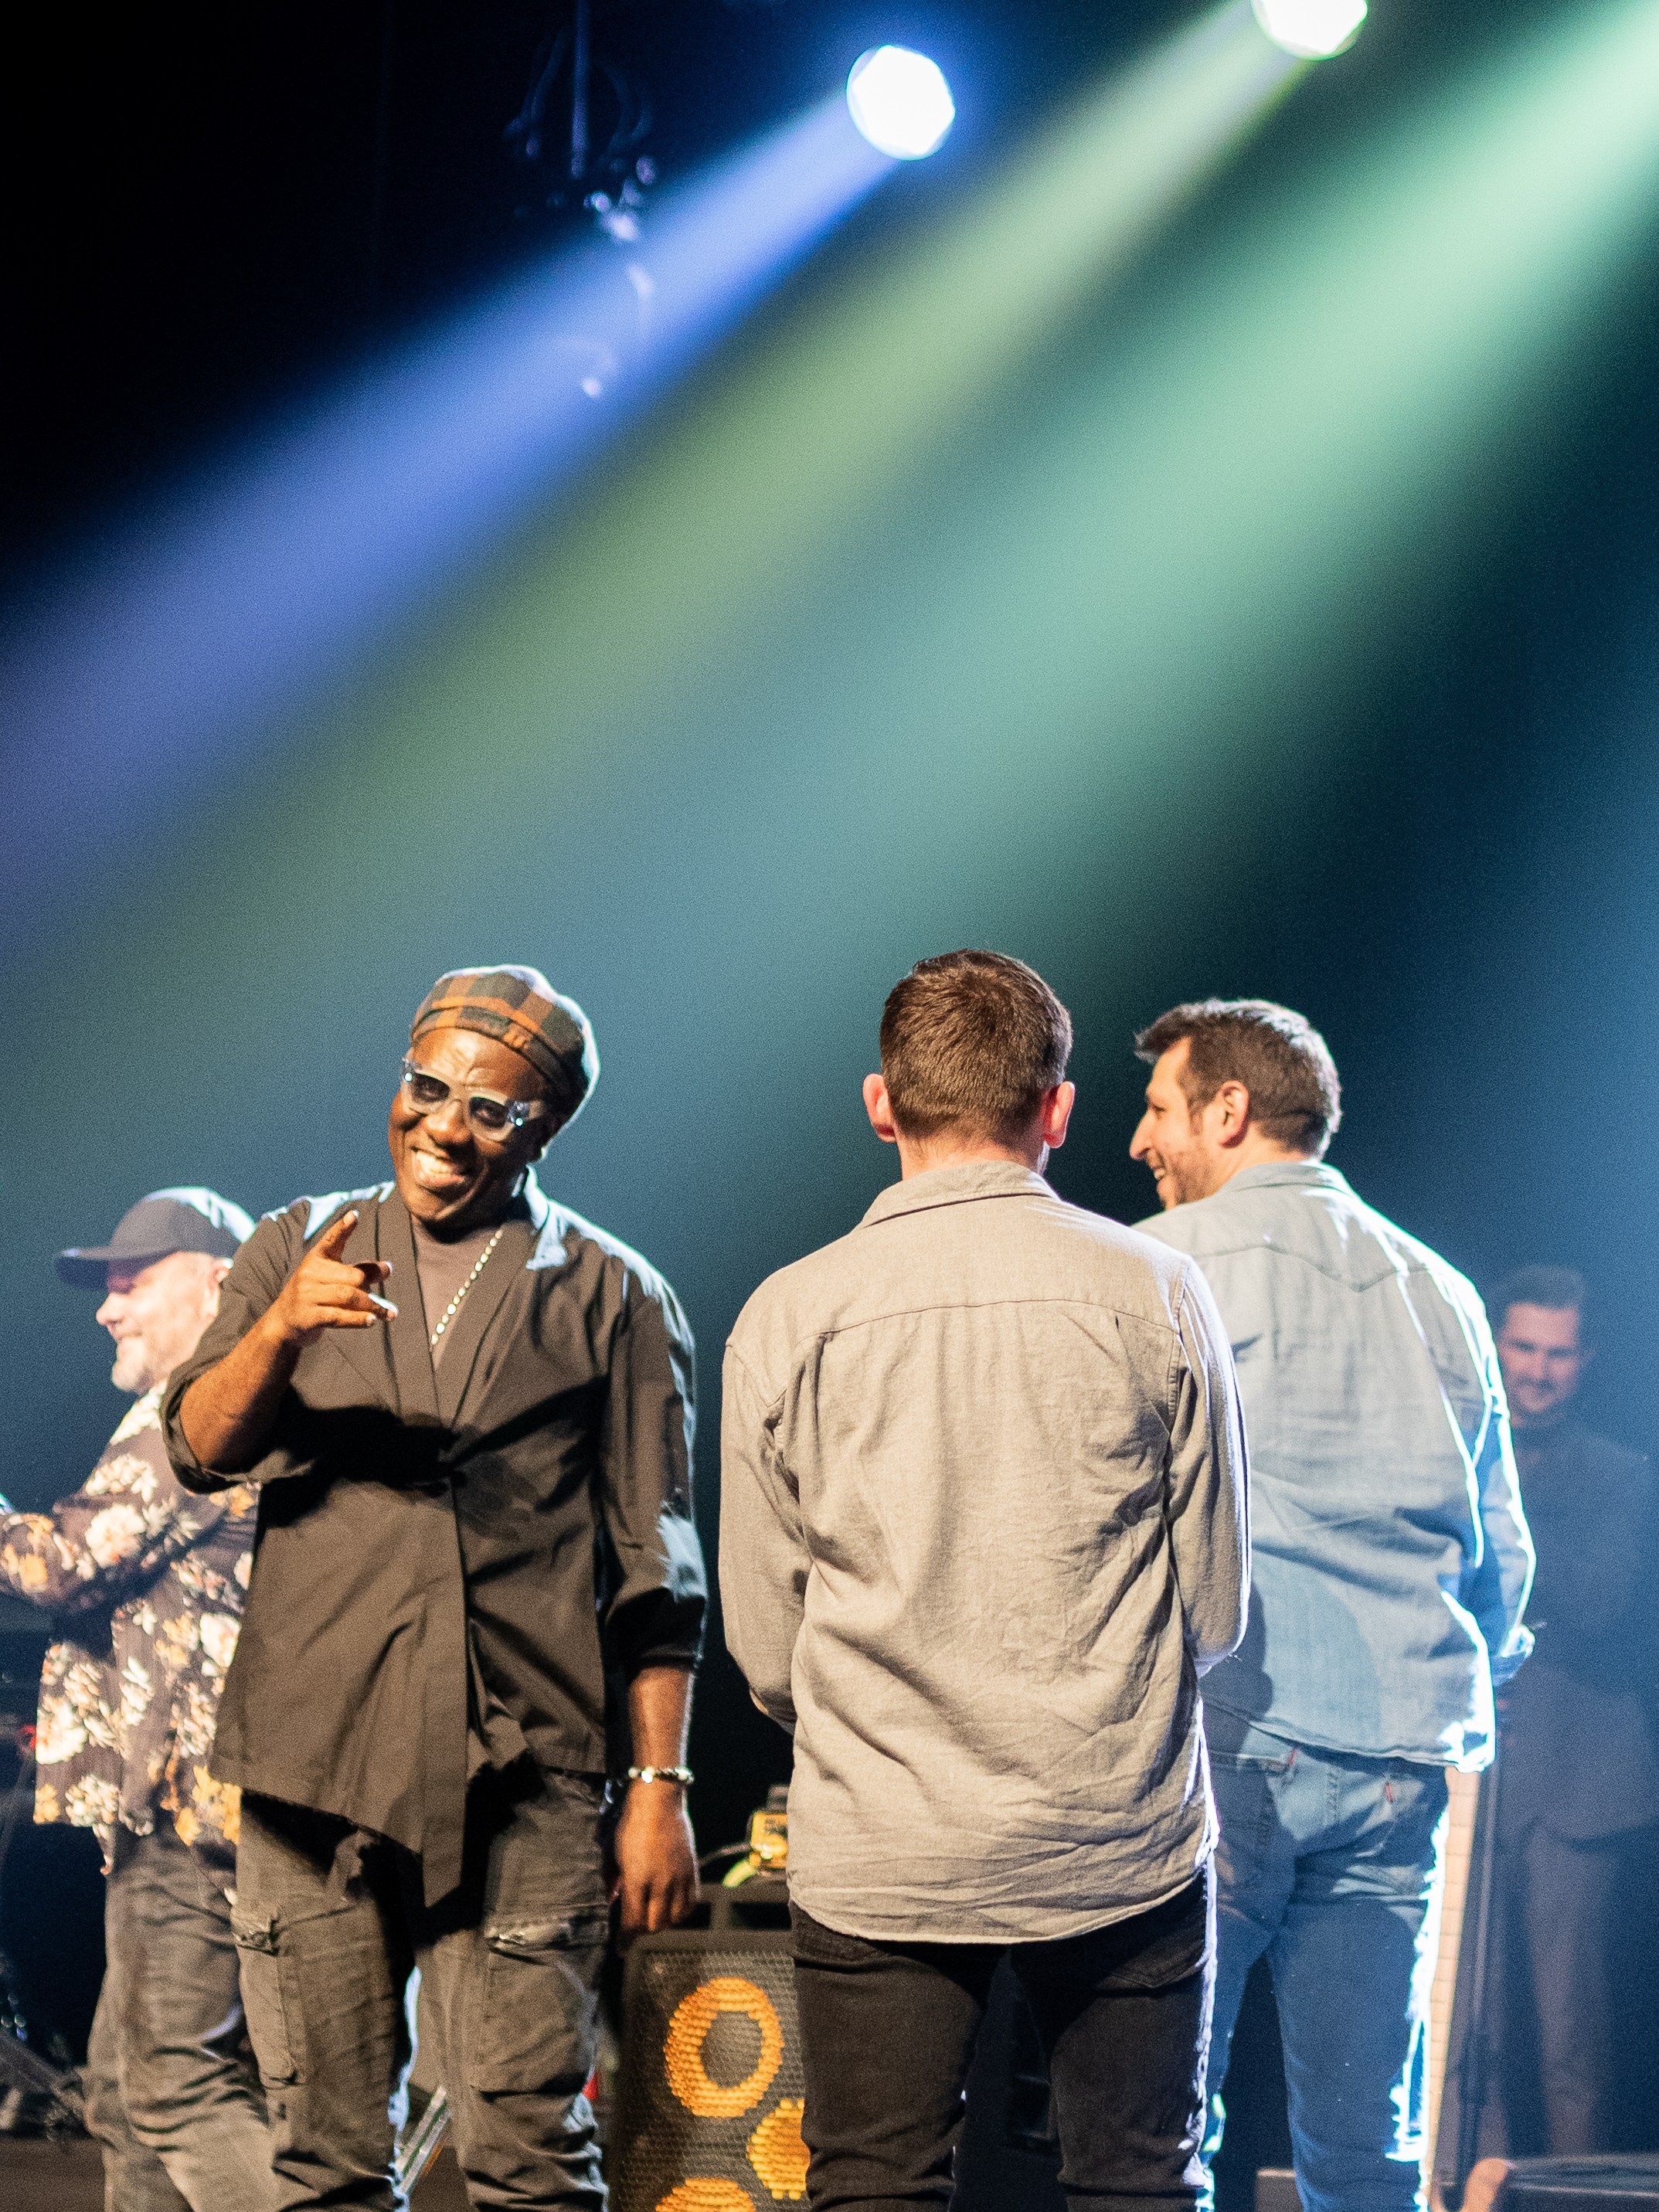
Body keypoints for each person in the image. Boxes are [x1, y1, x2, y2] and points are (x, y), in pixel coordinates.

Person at [161, 965, 707, 2212]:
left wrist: (658, 1788)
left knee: (528, 2159)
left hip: (527, 1783)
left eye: (493, 1109)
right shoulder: (297, 1243)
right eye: (427, 1088)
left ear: (545, 1128)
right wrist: (280, 1332)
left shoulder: (615, 1295)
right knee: (327, 2164)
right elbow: (200, 1446)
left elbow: (656, 1566)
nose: (446, 1126)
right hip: (315, 1766)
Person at [722, 949, 1249, 2212]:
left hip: (882, 1845)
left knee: (876, 2185)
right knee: (1136, 2182)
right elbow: (1217, 1610)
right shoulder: (1159, 1291)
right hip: (1116, 1841)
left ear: (878, 1102)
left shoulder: (787, 1315)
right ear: (1057, 1110)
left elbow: (758, 1645)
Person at [1129, 998, 1533, 2212]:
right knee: (1364, 2150)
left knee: (1154, 2135)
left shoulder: (1167, 1267)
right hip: (1399, 1761)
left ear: (1227, 1109)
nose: (1140, 1139)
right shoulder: (1441, 1290)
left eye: (1156, 1106)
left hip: (1229, 1747)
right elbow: (1500, 1557)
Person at [0, 1185, 274, 2212]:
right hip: (172, 1804)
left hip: (190, 1803)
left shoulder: (206, 1403)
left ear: (214, 1279)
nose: (107, 1307)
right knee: (124, 2089)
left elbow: (69, 1564)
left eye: (131, 1279)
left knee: (174, 2084)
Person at [1488, 1267, 1659, 2153]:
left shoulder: (1620, 1474)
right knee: (1462, 2044)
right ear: (1495, 1342)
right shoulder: (1462, 1451)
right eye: (1522, 1346)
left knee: (1569, 2051)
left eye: (1557, 1352)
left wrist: (1501, 1534)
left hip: (1576, 1790)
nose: (1537, 1369)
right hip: (1469, 1783)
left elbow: (1598, 1600)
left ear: (1584, 1361)